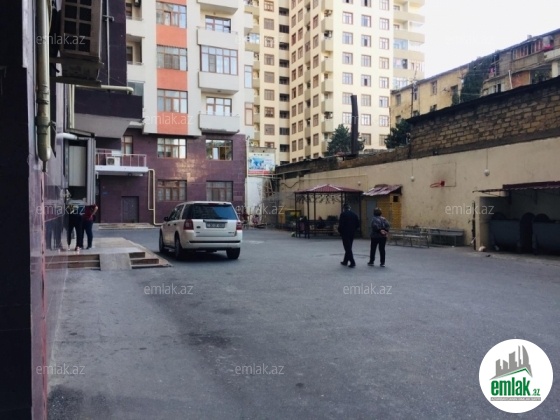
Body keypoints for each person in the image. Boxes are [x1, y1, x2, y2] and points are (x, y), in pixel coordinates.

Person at [338, 203, 360, 267]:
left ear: (344, 208)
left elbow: (341, 224)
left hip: (345, 233)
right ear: (349, 208)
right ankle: (345, 261)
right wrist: (353, 229)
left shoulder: (343, 214)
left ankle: (352, 262)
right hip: (352, 233)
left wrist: (340, 231)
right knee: (349, 247)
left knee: (347, 248)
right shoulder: (354, 214)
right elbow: (357, 224)